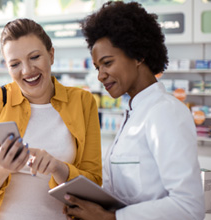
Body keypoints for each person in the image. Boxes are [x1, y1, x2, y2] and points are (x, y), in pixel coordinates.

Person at [63, 1, 205, 220]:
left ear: (138, 56)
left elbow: (189, 207)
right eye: (97, 67)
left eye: (107, 63)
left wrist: (109, 218)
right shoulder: (133, 112)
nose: (100, 75)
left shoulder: (166, 113)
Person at [0, 18, 102, 219]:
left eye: (35, 57)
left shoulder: (82, 102)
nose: (27, 70)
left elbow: (94, 183)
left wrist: (58, 167)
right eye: (15, 64)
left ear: (51, 55)